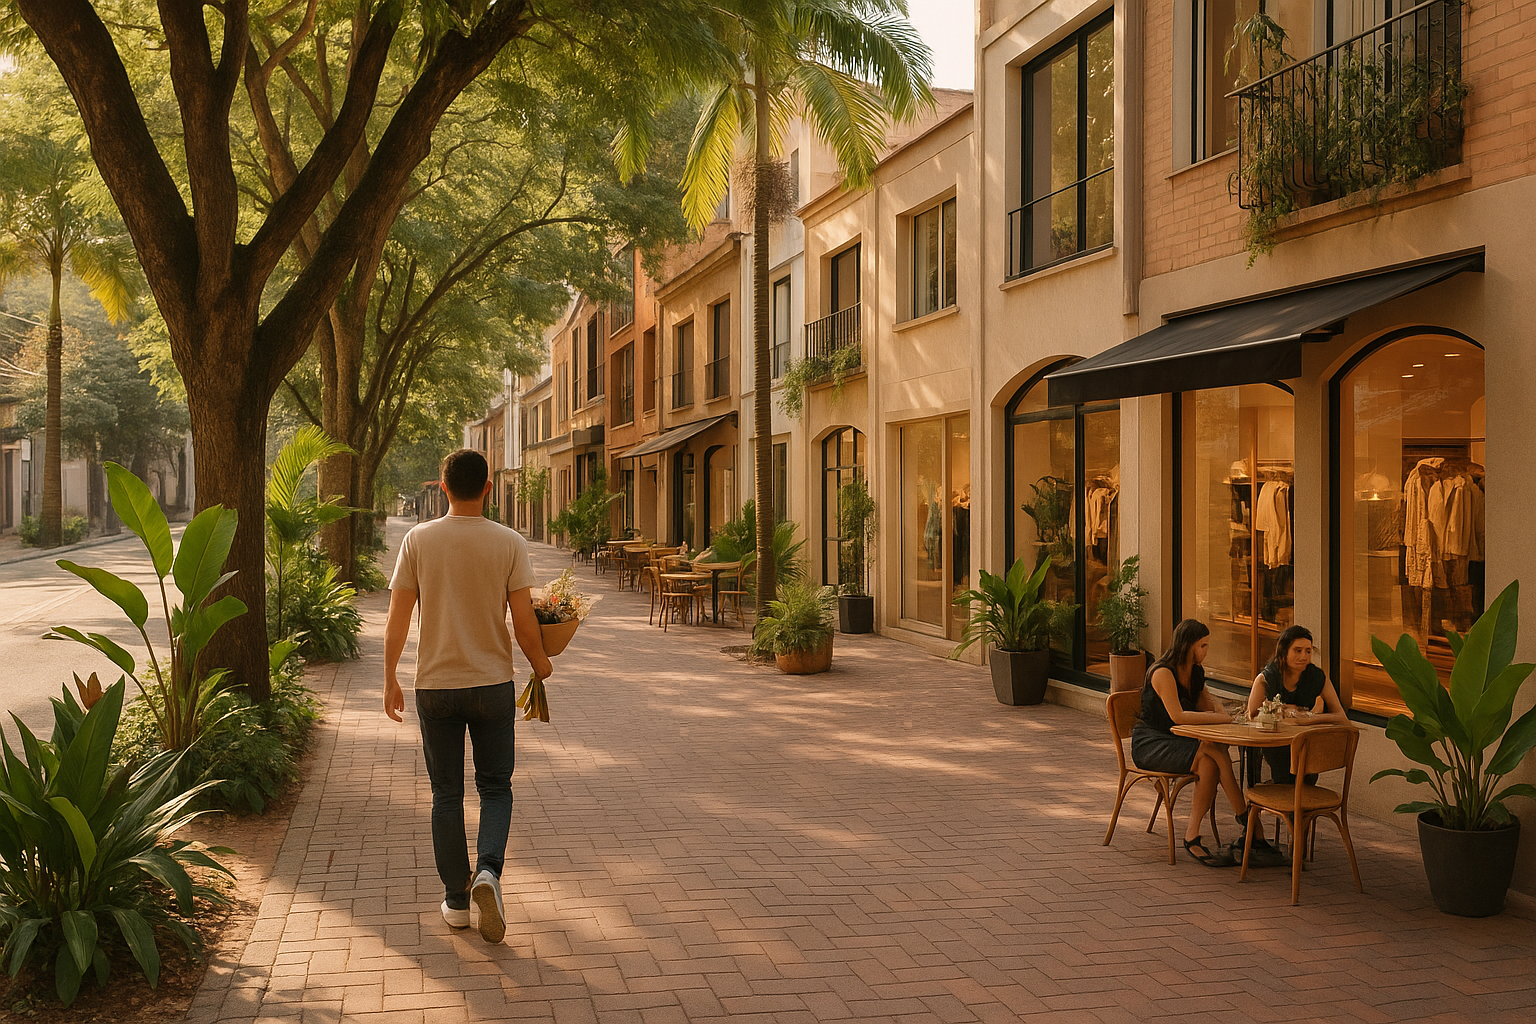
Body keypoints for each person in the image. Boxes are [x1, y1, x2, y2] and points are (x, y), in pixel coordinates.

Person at [384, 448, 554, 943]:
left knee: (446, 794)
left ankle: (457, 902)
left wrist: (389, 676)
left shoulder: (417, 540)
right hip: (491, 684)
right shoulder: (509, 543)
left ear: (442, 488)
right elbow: (524, 622)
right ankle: (488, 873)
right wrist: (541, 663)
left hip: (434, 685)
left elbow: (397, 617)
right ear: (488, 489)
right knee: (495, 789)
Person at [1132, 619, 1250, 867]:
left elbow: (1206, 702)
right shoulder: (1163, 672)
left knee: (1209, 761)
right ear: (1188, 645)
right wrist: (1219, 717)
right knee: (1213, 749)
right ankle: (1246, 817)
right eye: (1203, 646)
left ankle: (1192, 835)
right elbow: (1178, 716)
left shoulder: (1195, 671)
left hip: (1178, 740)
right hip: (1151, 742)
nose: (1206, 651)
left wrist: (1220, 711)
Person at [1245, 625, 1349, 784]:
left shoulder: (1316, 677)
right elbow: (1251, 716)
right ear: (1283, 651)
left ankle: (1294, 802)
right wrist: (1280, 712)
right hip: (1276, 742)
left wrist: (1308, 719)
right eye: (1298, 650)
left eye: (1308, 651)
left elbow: (1341, 717)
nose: (1304, 656)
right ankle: (1283, 799)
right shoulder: (1267, 678)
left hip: (1305, 743)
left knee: (1304, 780)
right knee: (1286, 780)